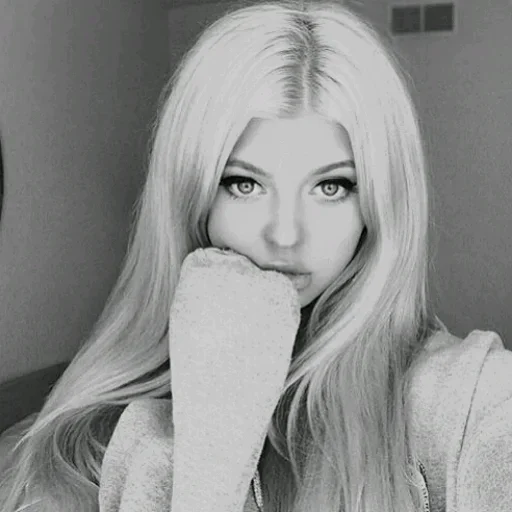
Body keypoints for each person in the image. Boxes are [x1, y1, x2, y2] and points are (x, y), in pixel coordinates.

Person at [1, 1, 511, 511]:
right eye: (244, 184)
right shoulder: (94, 440)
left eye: (332, 186)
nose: (285, 234)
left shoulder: (465, 398)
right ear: (191, 199)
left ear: (380, 206)